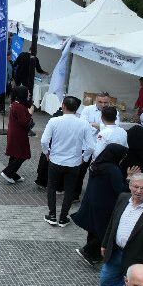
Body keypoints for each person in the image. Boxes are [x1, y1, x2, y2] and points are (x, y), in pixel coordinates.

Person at [72, 144, 132, 266]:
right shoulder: (113, 170)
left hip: (91, 201)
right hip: (105, 205)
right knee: (106, 232)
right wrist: (129, 178)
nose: (123, 158)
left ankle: (93, 256)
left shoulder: (96, 165)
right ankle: (88, 251)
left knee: (94, 228)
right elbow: (120, 189)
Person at [41, 96, 95, 227]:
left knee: (52, 187)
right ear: (77, 109)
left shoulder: (54, 121)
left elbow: (44, 141)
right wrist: (84, 158)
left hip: (55, 160)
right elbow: (91, 146)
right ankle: (63, 217)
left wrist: (46, 152)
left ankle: (52, 215)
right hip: (74, 162)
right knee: (69, 190)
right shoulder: (84, 124)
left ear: (63, 106)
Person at [99, 173, 143, 286]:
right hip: (115, 253)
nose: (139, 191)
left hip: (138, 260)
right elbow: (113, 222)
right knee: (105, 282)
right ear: (130, 186)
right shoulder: (123, 198)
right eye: (136, 187)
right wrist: (105, 243)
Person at [1, 86, 35, 184]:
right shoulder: (18, 106)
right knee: (22, 154)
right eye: (27, 93)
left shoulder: (17, 104)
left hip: (16, 133)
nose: (29, 94)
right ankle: (7, 172)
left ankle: (13, 174)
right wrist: (30, 113)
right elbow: (24, 122)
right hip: (18, 134)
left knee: (14, 154)